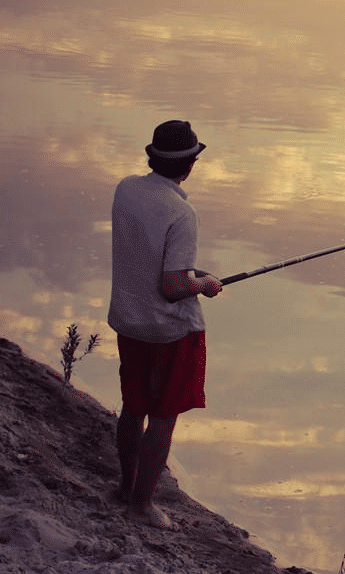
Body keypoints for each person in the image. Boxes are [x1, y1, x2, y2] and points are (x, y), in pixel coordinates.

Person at [107, 120, 223, 530]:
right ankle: (142, 505)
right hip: (168, 330)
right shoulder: (182, 212)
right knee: (162, 416)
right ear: (190, 165)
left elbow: (148, 253)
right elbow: (174, 288)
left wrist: (191, 273)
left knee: (133, 406)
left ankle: (126, 488)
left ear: (151, 155)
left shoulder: (126, 189)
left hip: (128, 318)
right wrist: (204, 284)